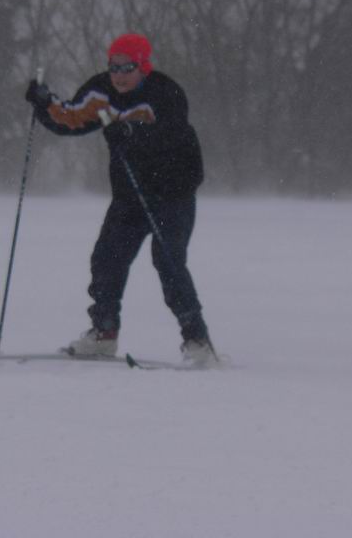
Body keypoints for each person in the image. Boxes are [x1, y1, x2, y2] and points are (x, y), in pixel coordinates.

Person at [24, 33, 215, 364]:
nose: (119, 75)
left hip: (173, 191)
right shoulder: (101, 90)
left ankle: (197, 340)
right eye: (114, 67)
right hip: (130, 193)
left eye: (128, 68)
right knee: (106, 259)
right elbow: (72, 118)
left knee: (168, 262)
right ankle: (104, 333)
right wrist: (44, 104)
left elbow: (170, 133)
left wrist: (130, 132)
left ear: (143, 67)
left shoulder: (165, 92)